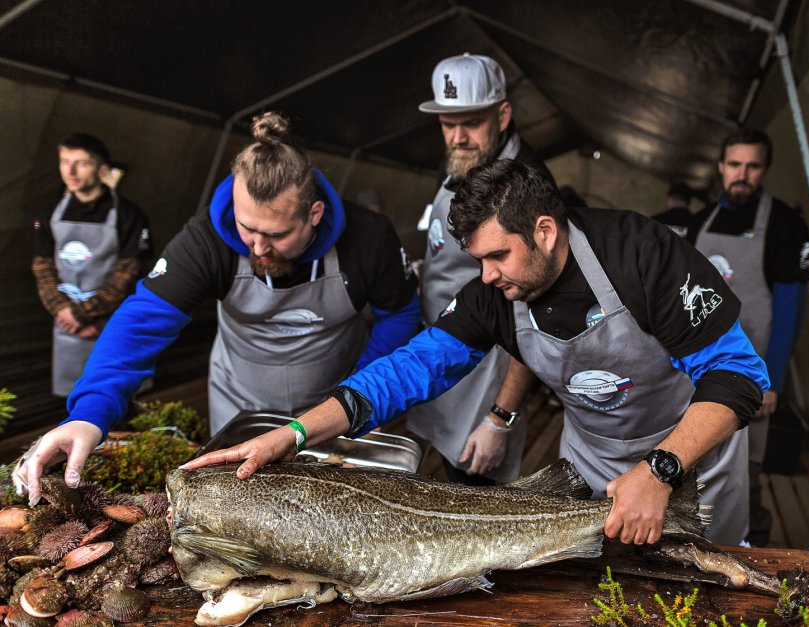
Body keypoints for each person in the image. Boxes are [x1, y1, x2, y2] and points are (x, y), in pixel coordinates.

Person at [179, 160, 769, 547]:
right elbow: (410, 370)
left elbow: (738, 377)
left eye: (497, 257)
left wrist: (661, 471)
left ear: (544, 231)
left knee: (705, 585)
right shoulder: (494, 294)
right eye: (475, 260)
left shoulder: (643, 255)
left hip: (691, 455)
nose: (484, 277)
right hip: (590, 458)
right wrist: (294, 434)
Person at [15, 113, 420, 501]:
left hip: (330, 398)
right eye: (248, 228)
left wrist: (360, 395)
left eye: (277, 234)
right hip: (237, 400)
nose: (258, 248)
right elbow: (140, 323)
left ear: (314, 214)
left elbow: (399, 313)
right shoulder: (207, 239)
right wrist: (89, 414)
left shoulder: (368, 238)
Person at [407, 52, 557, 485]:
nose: (458, 137)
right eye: (447, 124)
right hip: (439, 349)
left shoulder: (528, 185)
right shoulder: (459, 158)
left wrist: (500, 417)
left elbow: (536, 316)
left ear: (503, 114)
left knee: (475, 491)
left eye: (471, 122)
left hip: (488, 371)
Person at [691, 127, 809, 546]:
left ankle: (756, 552)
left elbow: (789, 314)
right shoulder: (701, 220)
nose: (742, 174)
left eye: (753, 166)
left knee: (748, 474)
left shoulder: (785, 225)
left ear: (764, 170)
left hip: (751, 373)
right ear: (721, 166)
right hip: (699, 369)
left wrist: (772, 381)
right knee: (698, 465)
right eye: (735, 165)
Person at [32, 134, 151, 397]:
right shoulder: (50, 212)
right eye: (65, 162)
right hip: (67, 325)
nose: (71, 171)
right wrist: (64, 311)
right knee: (73, 400)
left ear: (103, 169)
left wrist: (87, 314)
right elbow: (42, 267)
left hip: (113, 321)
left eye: (81, 163)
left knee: (121, 396)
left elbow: (128, 272)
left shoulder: (129, 215)